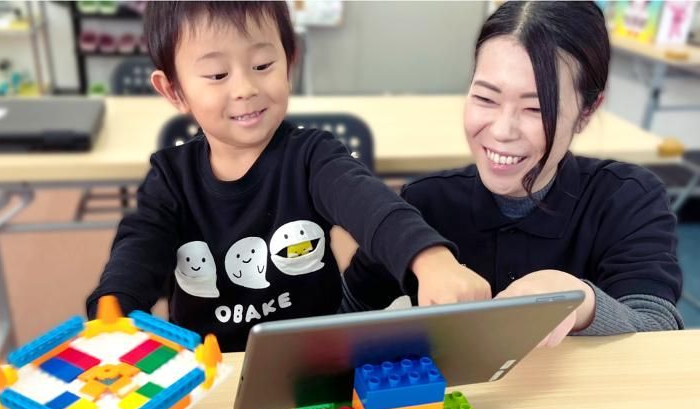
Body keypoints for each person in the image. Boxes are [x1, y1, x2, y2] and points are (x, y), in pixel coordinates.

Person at [86, 1, 489, 352]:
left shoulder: (313, 157)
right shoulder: (171, 178)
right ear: (174, 90)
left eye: (263, 65)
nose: (245, 88)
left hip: (311, 358)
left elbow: (371, 205)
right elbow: (139, 247)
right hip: (208, 367)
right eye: (217, 75)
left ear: (289, 61)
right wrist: (115, 303)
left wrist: (430, 259)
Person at [341, 1, 683, 347]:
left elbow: (659, 329)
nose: (503, 131)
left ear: (587, 111)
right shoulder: (424, 203)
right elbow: (345, 310)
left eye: (536, 108)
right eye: (486, 98)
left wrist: (581, 302)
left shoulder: (628, 199)